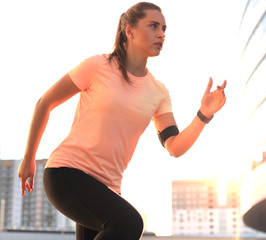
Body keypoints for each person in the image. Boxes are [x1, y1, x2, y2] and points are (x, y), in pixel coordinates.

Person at [17, 2, 226, 240]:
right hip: (67, 173)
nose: (161, 34)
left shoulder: (158, 92)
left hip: (105, 189)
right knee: (129, 223)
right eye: (153, 26)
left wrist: (204, 114)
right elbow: (45, 103)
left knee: (120, 226)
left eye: (164, 29)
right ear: (130, 30)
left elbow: (174, 146)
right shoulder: (98, 66)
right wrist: (29, 159)